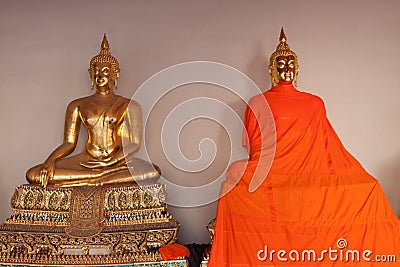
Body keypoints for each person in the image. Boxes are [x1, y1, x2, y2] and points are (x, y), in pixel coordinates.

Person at [208, 29, 400, 266]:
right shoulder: (257, 103)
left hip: (297, 173)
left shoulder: (314, 103)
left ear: (297, 70)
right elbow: (256, 150)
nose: (286, 67)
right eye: (281, 63)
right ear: (272, 71)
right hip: (270, 171)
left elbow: (327, 151)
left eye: (290, 63)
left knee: (368, 188)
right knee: (235, 173)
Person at [26, 34, 160, 187]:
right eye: (96, 71)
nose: (100, 75)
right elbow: (69, 143)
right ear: (91, 74)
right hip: (86, 160)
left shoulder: (129, 105)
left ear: (115, 74)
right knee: (34, 174)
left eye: (105, 70)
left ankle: (94, 178)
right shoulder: (77, 105)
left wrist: (110, 161)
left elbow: (134, 143)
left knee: (153, 171)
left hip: (117, 162)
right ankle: (98, 178)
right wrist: (50, 161)